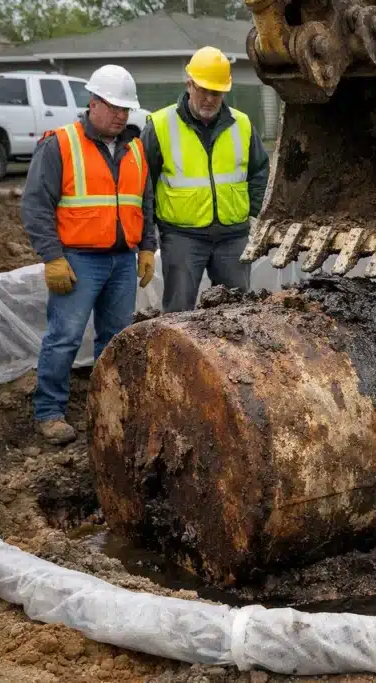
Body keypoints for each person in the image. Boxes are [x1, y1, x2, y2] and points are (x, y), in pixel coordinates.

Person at [21, 65, 155, 445]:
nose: (120, 115)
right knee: (64, 337)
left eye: (125, 109)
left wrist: (147, 246)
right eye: (113, 107)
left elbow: (145, 202)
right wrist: (52, 257)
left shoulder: (135, 148)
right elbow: (35, 205)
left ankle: (108, 405)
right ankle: (49, 411)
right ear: (93, 103)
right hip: (78, 261)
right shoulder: (59, 144)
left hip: (122, 261)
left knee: (115, 338)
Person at [140, 45, 269, 313]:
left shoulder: (242, 124)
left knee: (238, 313)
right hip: (182, 237)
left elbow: (259, 171)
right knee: (179, 313)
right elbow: (144, 186)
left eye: (217, 92)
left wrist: (253, 213)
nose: (210, 98)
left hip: (233, 236)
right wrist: (147, 242)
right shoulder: (161, 125)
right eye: (203, 90)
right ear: (189, 84)